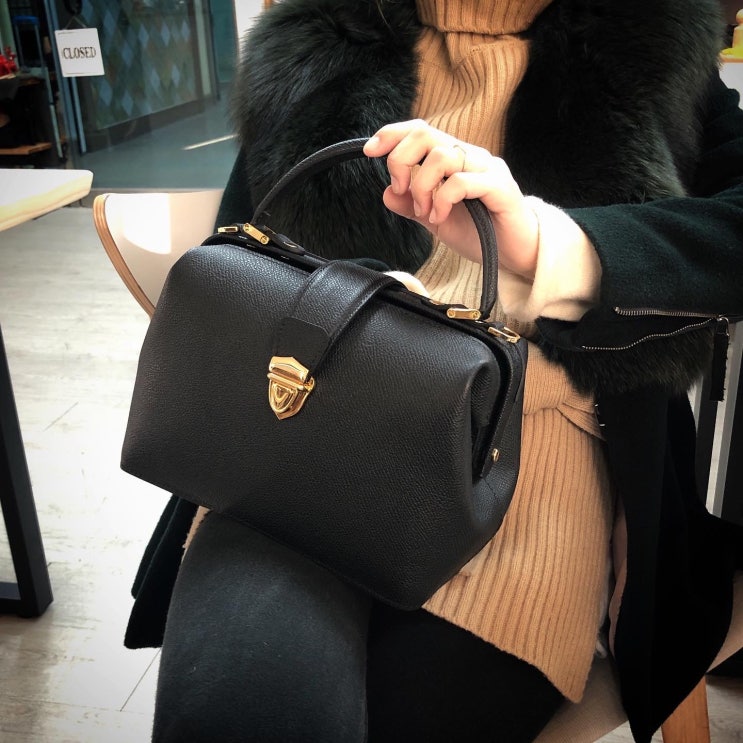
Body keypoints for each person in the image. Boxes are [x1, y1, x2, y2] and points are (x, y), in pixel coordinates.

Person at [124, 1, 743, 741]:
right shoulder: (313, 36)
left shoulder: (654, 36)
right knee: (238, 709)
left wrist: (546, 245)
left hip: (529, 460)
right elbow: (244, 259)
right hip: (300, 440)